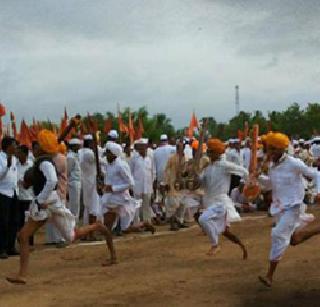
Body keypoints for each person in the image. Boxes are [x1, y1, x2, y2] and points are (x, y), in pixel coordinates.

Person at [6, 130, 114, 285]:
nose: (33, 148)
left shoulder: (44, 162)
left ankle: (97, 226)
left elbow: (52, 181)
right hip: (49, 202)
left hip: (47, 202)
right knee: (26, 236)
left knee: (66, 236)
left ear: (41, 148)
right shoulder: (44, 161)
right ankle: (22, 275)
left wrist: (40, 199)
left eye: (36, 146)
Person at [258, 132, 320, 288]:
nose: (269, 153)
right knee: (293, 240)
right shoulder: (272, 166)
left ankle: (269, 276)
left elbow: (315, 174)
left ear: (280, 149)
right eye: (268, 149)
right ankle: (314, 229)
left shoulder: (294, 163)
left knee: (278, 234)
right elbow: (270, 185)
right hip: (279, 208)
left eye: (272, 149)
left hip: (293, 206)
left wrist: (319, 192)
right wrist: (257, 177)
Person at [196, 138, 248, 258]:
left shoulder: (225, 165)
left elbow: (244, 171)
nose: (208, 154)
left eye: (210, 151)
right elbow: (201, 184)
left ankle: (215, 245)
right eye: (208, 151)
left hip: (220, 202)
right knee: (225, 231)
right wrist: (194, 177)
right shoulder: (207, 168)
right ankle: (242, 246)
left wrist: (246, 184)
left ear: (217, 152)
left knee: (203, 219)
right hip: (209, 202)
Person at [0, 137, 18, 259]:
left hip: (13, 192)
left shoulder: (15, 158)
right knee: (3, 222)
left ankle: (10, 247)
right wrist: (7, 165)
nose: (16, 147)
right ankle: (1, 249)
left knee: (14, 221)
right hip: (2, 193)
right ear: (8, 146)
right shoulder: (0, 158)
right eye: (14, 145)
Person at [130, 139, 155, 226]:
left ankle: (147, 222)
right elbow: (131, 173)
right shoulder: (134, 159)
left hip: (147, 186)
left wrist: (152, 185)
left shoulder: (149, 159)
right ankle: (136, 223)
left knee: (147, 206)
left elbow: (153, 172)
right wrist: (131, 186)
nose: (142, 149)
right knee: (136, 206)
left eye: (144, 147)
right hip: (137, 187)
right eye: (140, 147)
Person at [78, 135, 100, 233]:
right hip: (91, 182)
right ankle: (90, 232)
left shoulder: (80, 152)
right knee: (92, 208)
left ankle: (86, 231)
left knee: (88, 207)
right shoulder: (89, 153)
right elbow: (99, 160)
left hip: (85, 181)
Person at [16, 145, 34, 246]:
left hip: (29, 197)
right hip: (19, 197)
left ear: (25, 154)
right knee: (19, 221)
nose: (18, 155)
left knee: (29, 221)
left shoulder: (31, 165)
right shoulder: (16, 165)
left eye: (20, 153)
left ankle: (29, 242)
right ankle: (21, 241)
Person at [66, 138, 81, 221]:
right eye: (78, 146)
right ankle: (72, 223)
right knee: (73, 205)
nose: (79, 148)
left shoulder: (75, 155)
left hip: (76, 182)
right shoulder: (70, 157)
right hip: (72, 183)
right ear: (74, 146)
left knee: (76, 205)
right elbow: (67, 172)